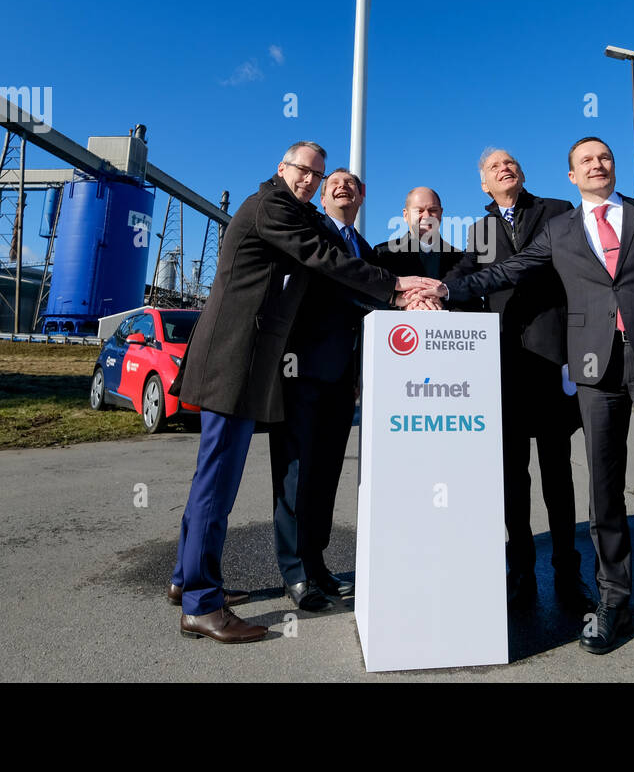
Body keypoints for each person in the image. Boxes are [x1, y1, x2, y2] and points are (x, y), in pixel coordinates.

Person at [413, 136, 634, 666]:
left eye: (603, 157)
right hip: (594, 371)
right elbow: (507, 271)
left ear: (613, 167)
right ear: (571, 175)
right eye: (585, 160)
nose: (597, 164)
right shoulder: (560, 231)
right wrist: (443, 291)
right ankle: (614, 603)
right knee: (604, 493)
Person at [167, 142, 438, 644]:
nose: (310, 182)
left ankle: (187, 581)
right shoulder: (272, 205)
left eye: (316, 175)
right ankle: (202, 604)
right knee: (217, 484)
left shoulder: (288, 209)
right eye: (305, 172)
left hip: (245, 361)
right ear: (281, 168)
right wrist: (398, 288)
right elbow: (319, 256)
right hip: (235, 361)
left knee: (211, 477)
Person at [444, 147, 591, 613]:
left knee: (557, 472)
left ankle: (568, 571)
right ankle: (520, 571)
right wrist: (427, 292)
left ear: (522, 174)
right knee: (511, 475)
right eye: (493, 167)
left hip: (553, 359)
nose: (503, 168)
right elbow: (464, 274)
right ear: (484, 185)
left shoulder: (557, 212)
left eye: (510, 163)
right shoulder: (480, 231)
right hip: (504, 365)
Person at [271, 168, 378, 613]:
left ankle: (317, 564)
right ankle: (294, 572)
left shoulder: (365, 248)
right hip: (302, 370)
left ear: (362, 195)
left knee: (325, 474)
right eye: (334, 182)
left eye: (351, 184)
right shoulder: (309, 228)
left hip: (341, 379)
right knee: (295, 473)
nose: (342, 187)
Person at [373, 186, 467, 282]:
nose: (427, 216)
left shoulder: (460, 259)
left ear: (441, 213)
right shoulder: (383, 255)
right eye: (419, 211)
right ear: (405, 215)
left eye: (433, 210)